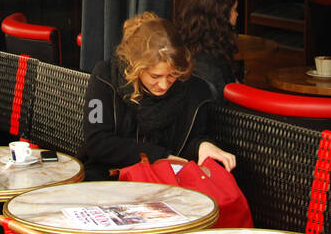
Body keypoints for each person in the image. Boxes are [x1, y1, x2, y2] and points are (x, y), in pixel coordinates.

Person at [79, 12, 236, 181]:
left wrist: (202, 146)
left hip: (166, 183)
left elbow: (190, 139)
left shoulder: (195, 91)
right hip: (108, 177)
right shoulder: (105, 78)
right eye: (155, 76)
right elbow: (97, 141)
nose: (164, 85)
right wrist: (159, 157)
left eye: (172, 75)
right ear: (135, 67)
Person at [176, 0, 242, 99]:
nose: (237, 15)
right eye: (234, 10)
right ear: (219, 17)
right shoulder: (214, 66)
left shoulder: (179, 49)